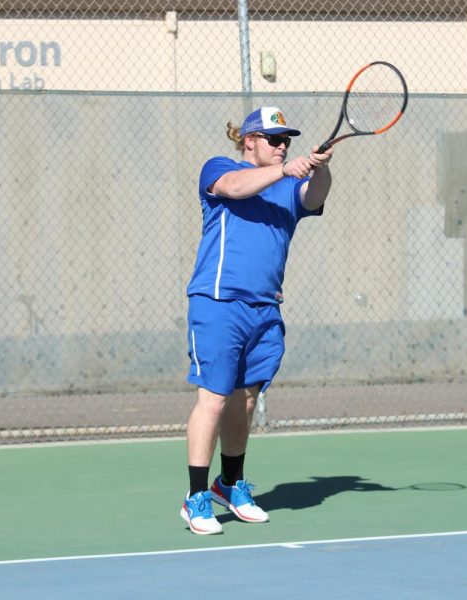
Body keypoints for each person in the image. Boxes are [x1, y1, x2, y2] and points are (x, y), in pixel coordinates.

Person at [180, 106, 334, 535]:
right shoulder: (220, 168)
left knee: (245, 400)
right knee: (213, 397)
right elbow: (233, 187)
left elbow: (315, 196)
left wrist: (319, 168)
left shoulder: (289, 186)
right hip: (218, 302)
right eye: (274, 139)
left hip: (265, 310)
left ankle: (229, 484)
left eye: (287, 140)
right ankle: (195, 498)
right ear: (249, 140)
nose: (283, 146)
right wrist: (287, 171)